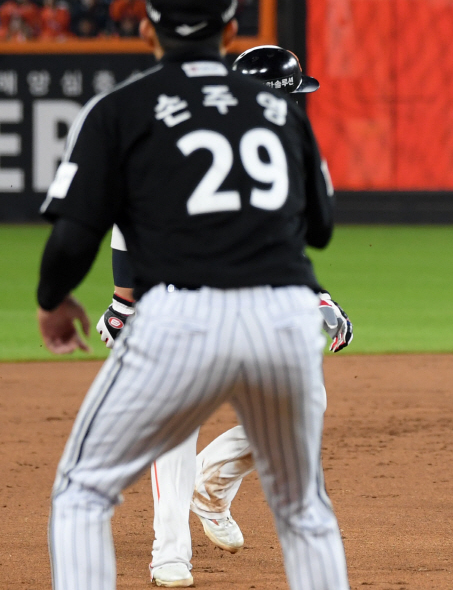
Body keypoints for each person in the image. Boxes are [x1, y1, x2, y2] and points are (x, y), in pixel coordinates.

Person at [37, 0, 349, 590]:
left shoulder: (121, 109)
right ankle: (178, 545)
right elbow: (320, 229)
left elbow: (76, 235)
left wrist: (53, 299)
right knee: (304, 510)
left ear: (149, 30)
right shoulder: (284, 114)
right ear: (230, 29)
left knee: (82, 491)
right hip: (278, 318)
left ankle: (168, 554)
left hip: (179, 314)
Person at [93, 45, 347, 587]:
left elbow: (275, 247)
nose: (299, 106)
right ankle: (169, 551)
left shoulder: (281, 151)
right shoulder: (194, 145)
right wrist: (122, 300)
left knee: (304, 403)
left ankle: (211, 487)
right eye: (293, 95)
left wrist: (316, 296)